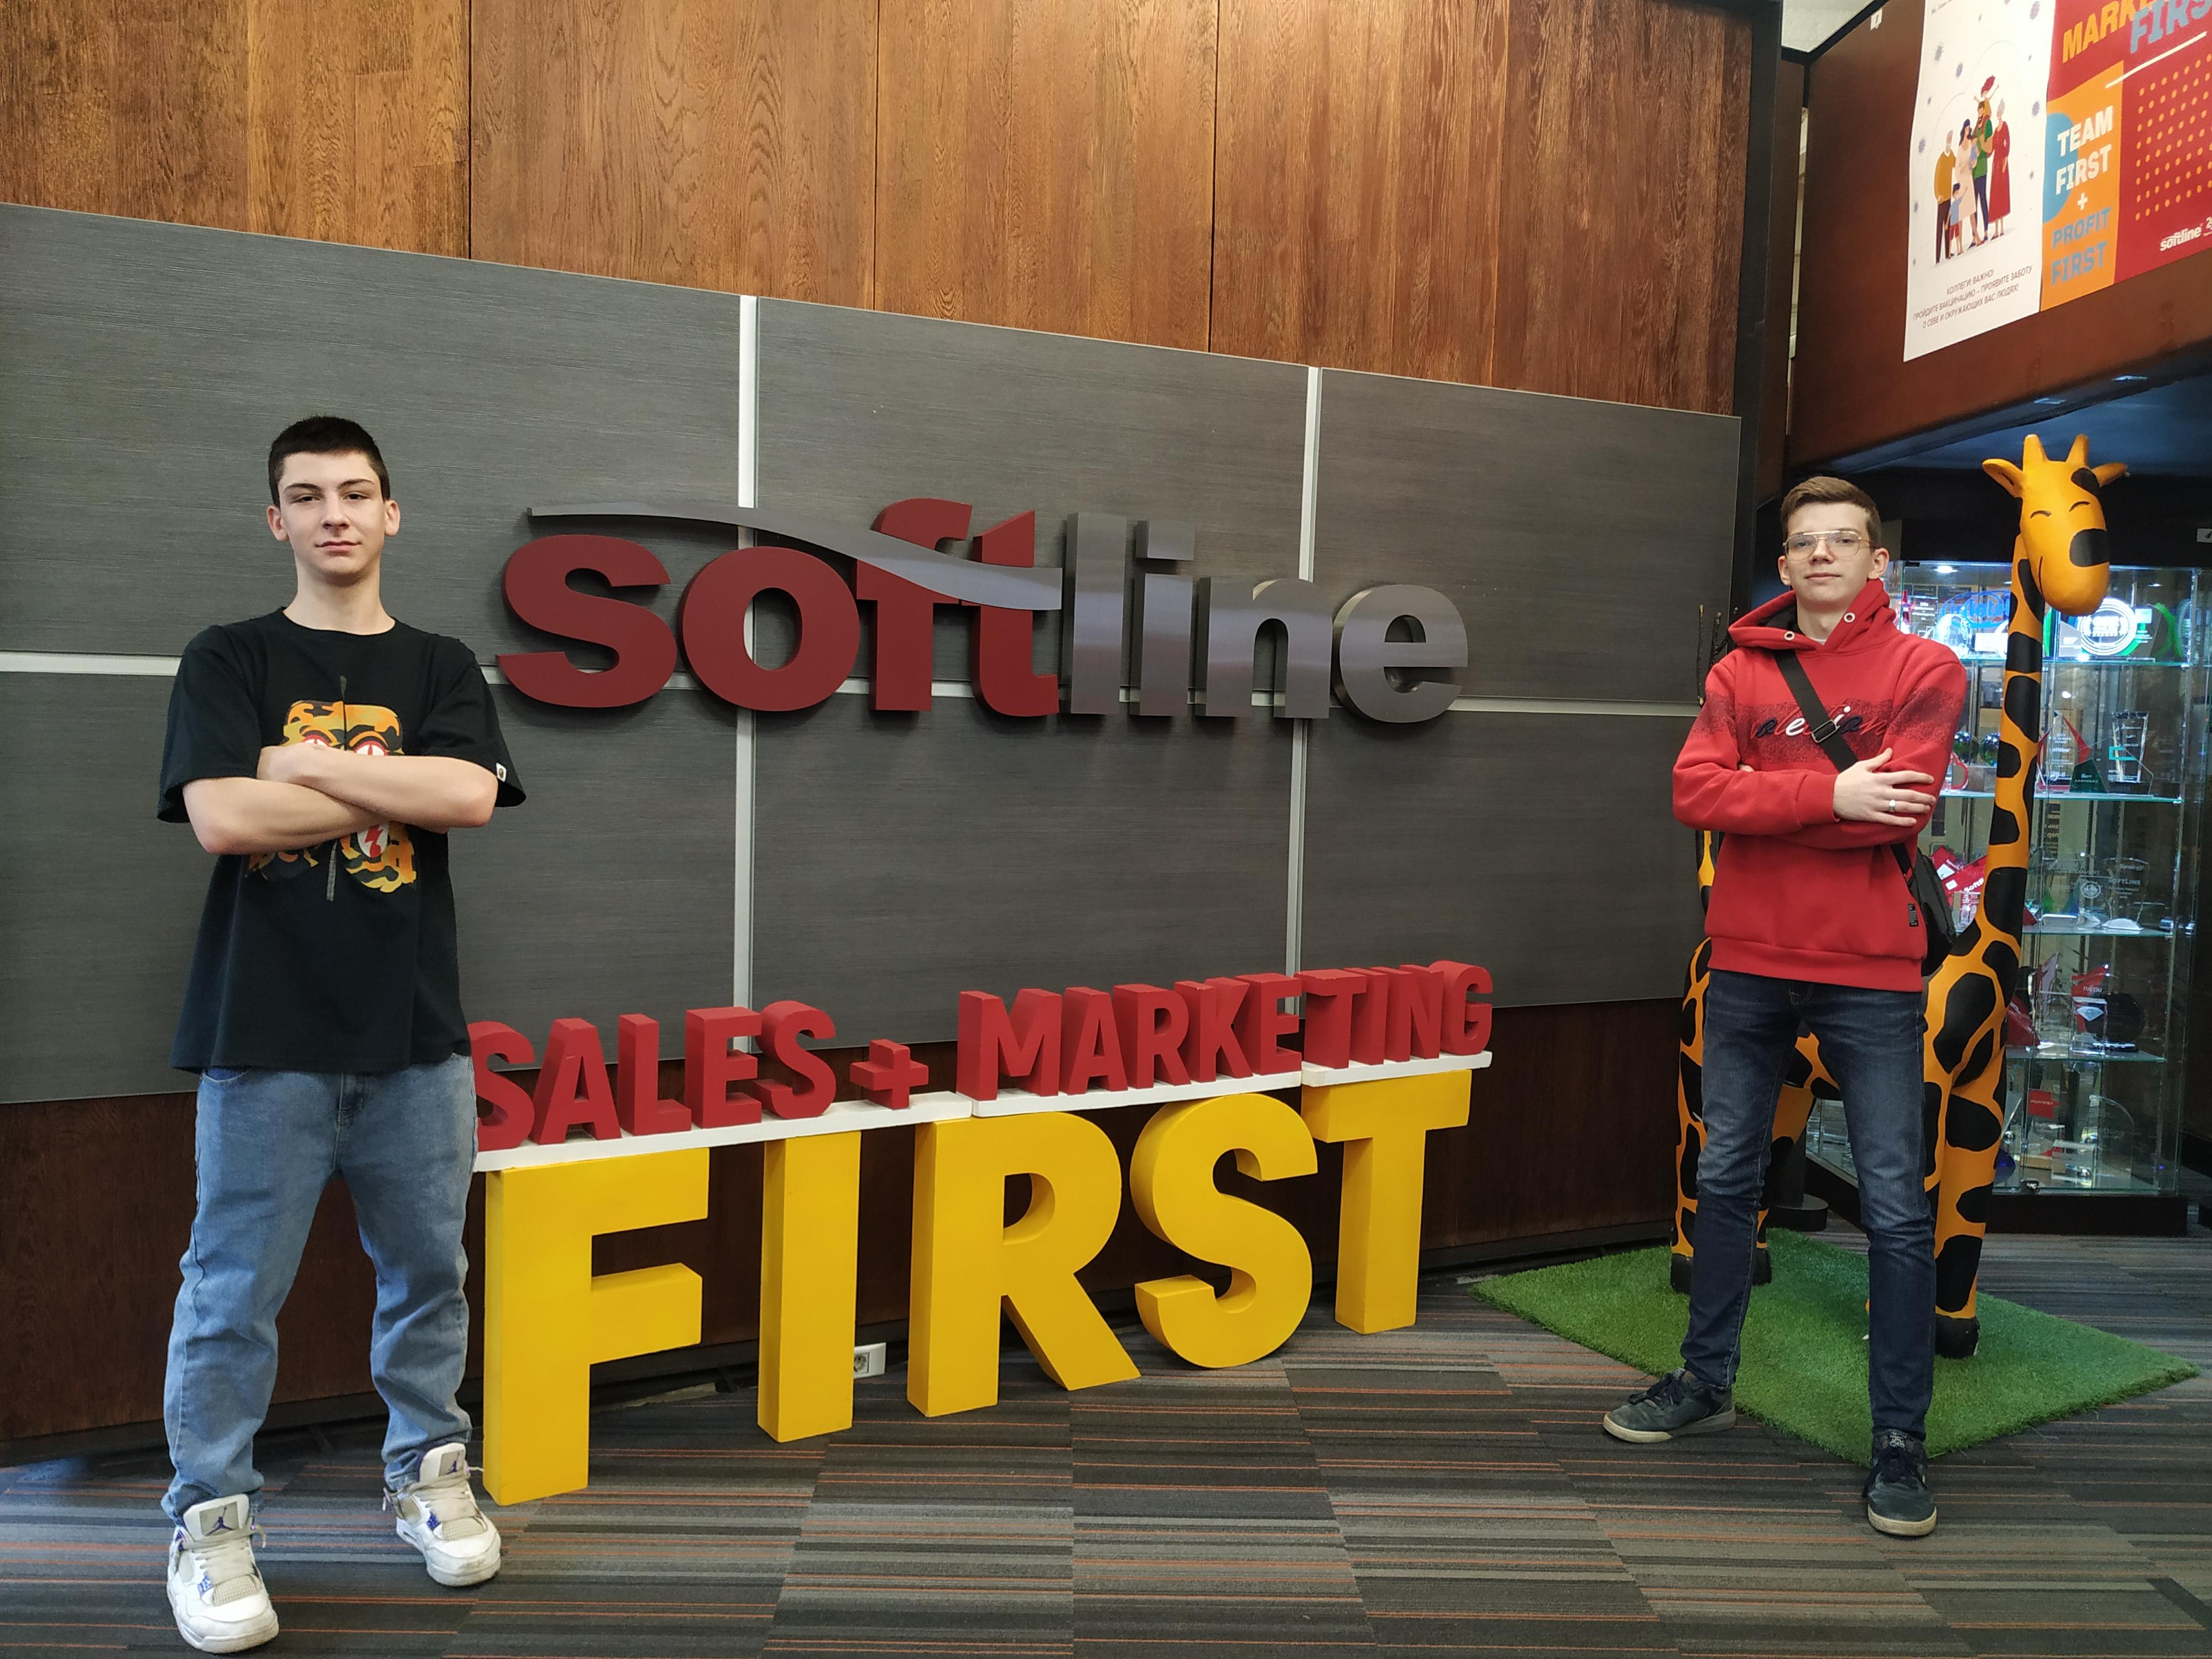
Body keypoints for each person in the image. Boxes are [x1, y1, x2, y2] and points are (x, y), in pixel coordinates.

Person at [157, 415, 524, 1651]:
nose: (334, 514)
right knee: (230, 1294)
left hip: (416, 1037)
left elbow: (468, 796)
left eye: (355, 493)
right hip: (261, 1034)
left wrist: (293, 766)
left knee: (429, 1278)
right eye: (307, 496)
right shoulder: (229, 655)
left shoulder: (440, 664)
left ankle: (431, 1474)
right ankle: (211, 1521)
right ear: (278, 520)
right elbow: (220, 820)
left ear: (390, 513)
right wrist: (388, 781)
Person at [1600, 476, 1966, 1540]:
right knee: (1725, 1176)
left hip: (1872, 968)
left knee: (1895, 1204)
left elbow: (1894, 811)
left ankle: (1899, 1438)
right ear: (1786, 562)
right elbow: (1694, 793)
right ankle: (1704, 1381)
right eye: (1804, 542)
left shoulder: (1925, 668)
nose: (1820, 556)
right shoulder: (1739, 669)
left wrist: (1775, 798)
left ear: (1876, 560)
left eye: (1842, 540)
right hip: (1749, 963)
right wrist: (1828, 792)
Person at [1989, 102, 2012, 236]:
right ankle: (1996, 230)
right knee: (1995, 193)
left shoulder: (2005, 126)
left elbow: (2007, 144)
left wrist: (2005, 162)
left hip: (2002, 160)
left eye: (1999, 112)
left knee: (2001, 193)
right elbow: (1991, 148)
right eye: (1997, 113)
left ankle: (2002, 228)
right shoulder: (1995, 130)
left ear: (2002, 113)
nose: (1998, 115)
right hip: (1995, 162)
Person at [1933, 138, 1955, 260]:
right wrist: (1938, 195)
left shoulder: (1951, 156)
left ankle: (1947, 253)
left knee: (1948, 226)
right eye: (1948, 144)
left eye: (1950, 144)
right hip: (1942, 198)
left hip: (1949, 196)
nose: (1949, 146)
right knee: (1939, 227)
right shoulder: (1941, 159)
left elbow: (1957, 164)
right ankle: (1937, 257)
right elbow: (1936, 178)